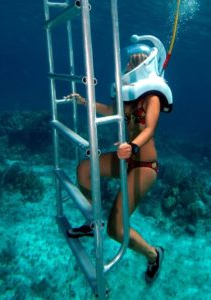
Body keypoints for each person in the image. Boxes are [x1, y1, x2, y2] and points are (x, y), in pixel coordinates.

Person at [65, 35, 173, 283]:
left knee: (117, 229)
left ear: (143, 65)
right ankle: (94, 222)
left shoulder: (152, 97)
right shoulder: (129, 95)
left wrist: (133, 146)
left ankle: (153, 255)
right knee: (84, 169)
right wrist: (84, 102)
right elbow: (109, 110)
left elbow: (150, 129)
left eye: (131, 62)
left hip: (144, 165)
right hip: (126, 156)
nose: (126, 66)